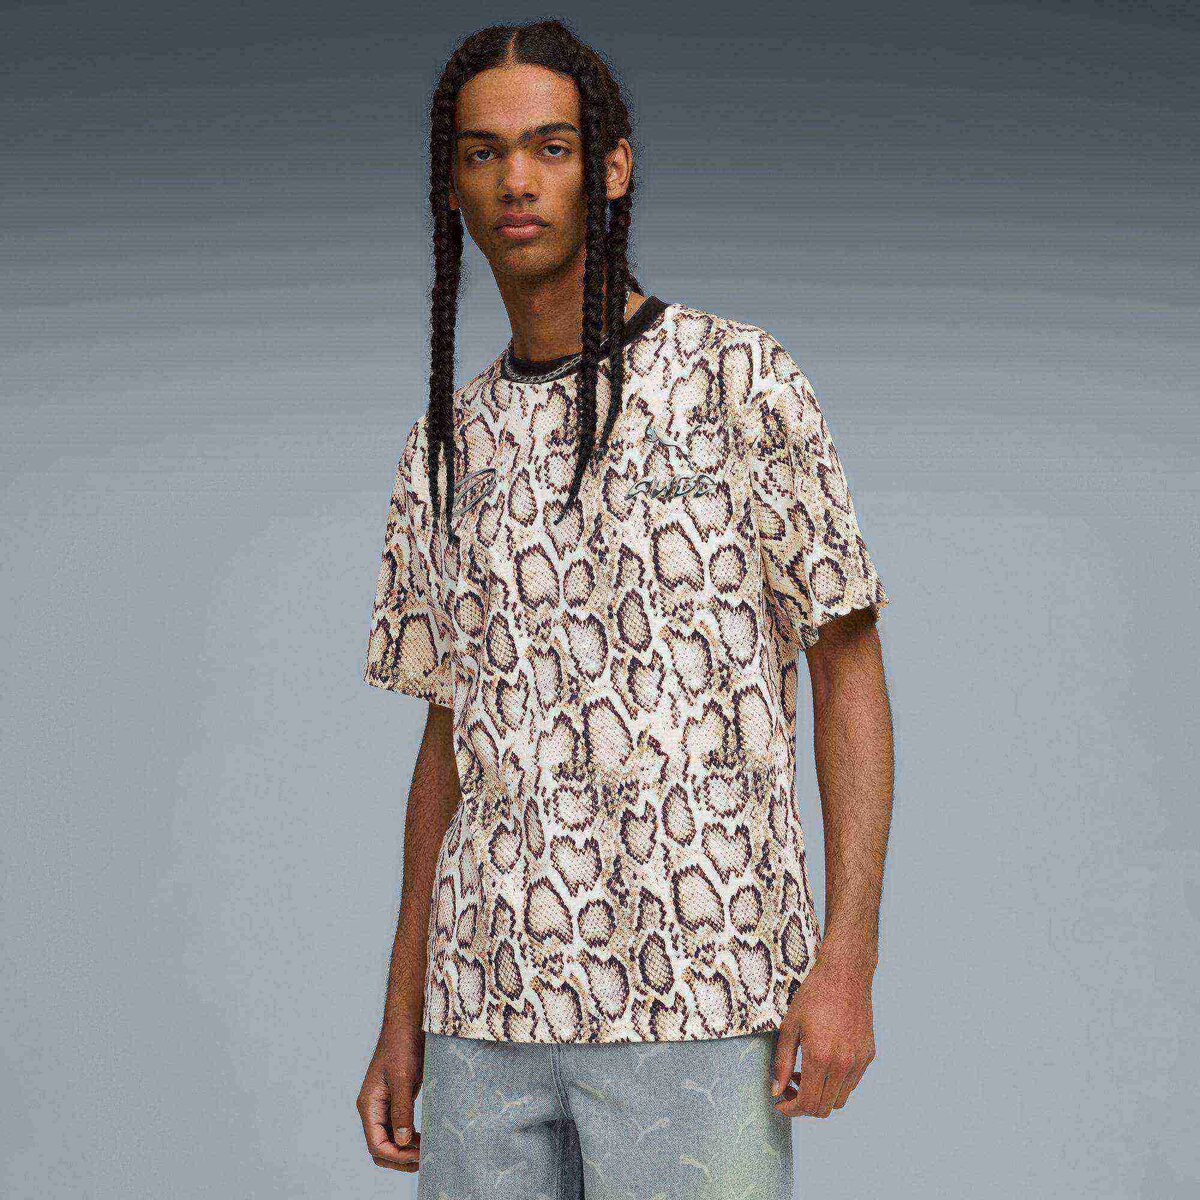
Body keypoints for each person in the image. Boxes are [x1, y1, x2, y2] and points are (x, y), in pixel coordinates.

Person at [356, 19, 894, 1200]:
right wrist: (403, 1014)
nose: (517, 180)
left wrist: (847, 956)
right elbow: (448, 740)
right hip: (485, 1006)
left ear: (610, 168)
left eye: (549, 147)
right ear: (452, 186)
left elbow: (849, 668)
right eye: (484, 153)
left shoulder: (737, 379)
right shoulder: (445, 446)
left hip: (698, 995)